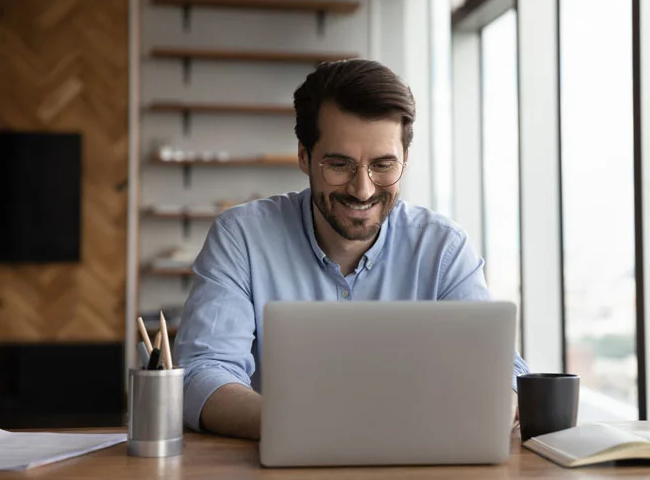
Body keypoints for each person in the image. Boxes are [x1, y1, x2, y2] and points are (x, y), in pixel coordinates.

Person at [173, 59, 529, 439]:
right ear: (304, 157)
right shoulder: (242, 237)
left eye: (383, 165)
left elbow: (503, 371)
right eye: (339, 164)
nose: (363, 189)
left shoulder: (443, 247)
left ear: (405, 161)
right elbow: (200, 375)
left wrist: (499, 403)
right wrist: (312, 428)